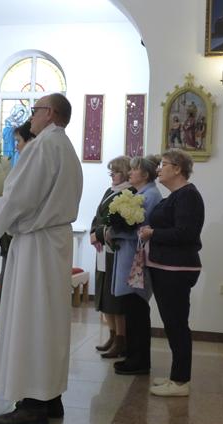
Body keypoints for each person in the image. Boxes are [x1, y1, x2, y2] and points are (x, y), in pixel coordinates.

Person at [0, 93, 82, 424]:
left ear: (49, 113)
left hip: (36, 245)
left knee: (31, 319)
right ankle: (50, 397)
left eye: (35, 110)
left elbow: (20, 197)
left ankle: (32, 405)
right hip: (52, 242)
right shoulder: (65, 148)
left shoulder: (43, 146)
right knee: (48, 320)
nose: (31, 117)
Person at [139, 149, 205, 397]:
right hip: (165, 266)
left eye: (163, 164)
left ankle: (180, 382)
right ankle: (176, 375)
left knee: (177, 324)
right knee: (172, 323)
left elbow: (185, 233)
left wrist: (152, 233)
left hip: (176, 268)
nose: (158, 169)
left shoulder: (188, 196)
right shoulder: (175, 196)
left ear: (177, 168)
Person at [110, 155, 163, 375]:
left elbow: (142, 231)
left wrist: (113, 232)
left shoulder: (150, 196)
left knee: (137, 312)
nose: (130, 172)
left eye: (134, 169)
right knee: (131, 311)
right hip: (129, 257)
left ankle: (139, 361)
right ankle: (132, 356)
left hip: (137, 261)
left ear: (146, 174)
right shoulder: (140, 193)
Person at [0, 120, 36, 327]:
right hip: (16, 235)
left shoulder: (31, 165)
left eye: (18, 141)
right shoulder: (26, 163)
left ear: (30, 140)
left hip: (22, 235)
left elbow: (18, 202)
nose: (16, 146)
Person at [91, 156, 133, 357]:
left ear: (125, 173)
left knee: (115, 298)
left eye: (115, 172)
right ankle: (112, 334)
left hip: (115, 250)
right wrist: (94, 233)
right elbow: (98, 215)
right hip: (102, 249)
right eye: (111, 172)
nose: (112, 176)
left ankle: (121, 340)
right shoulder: (110, 191)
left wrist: (99, 234)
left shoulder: (129, 193)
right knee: (103, 295)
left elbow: (119, 223)